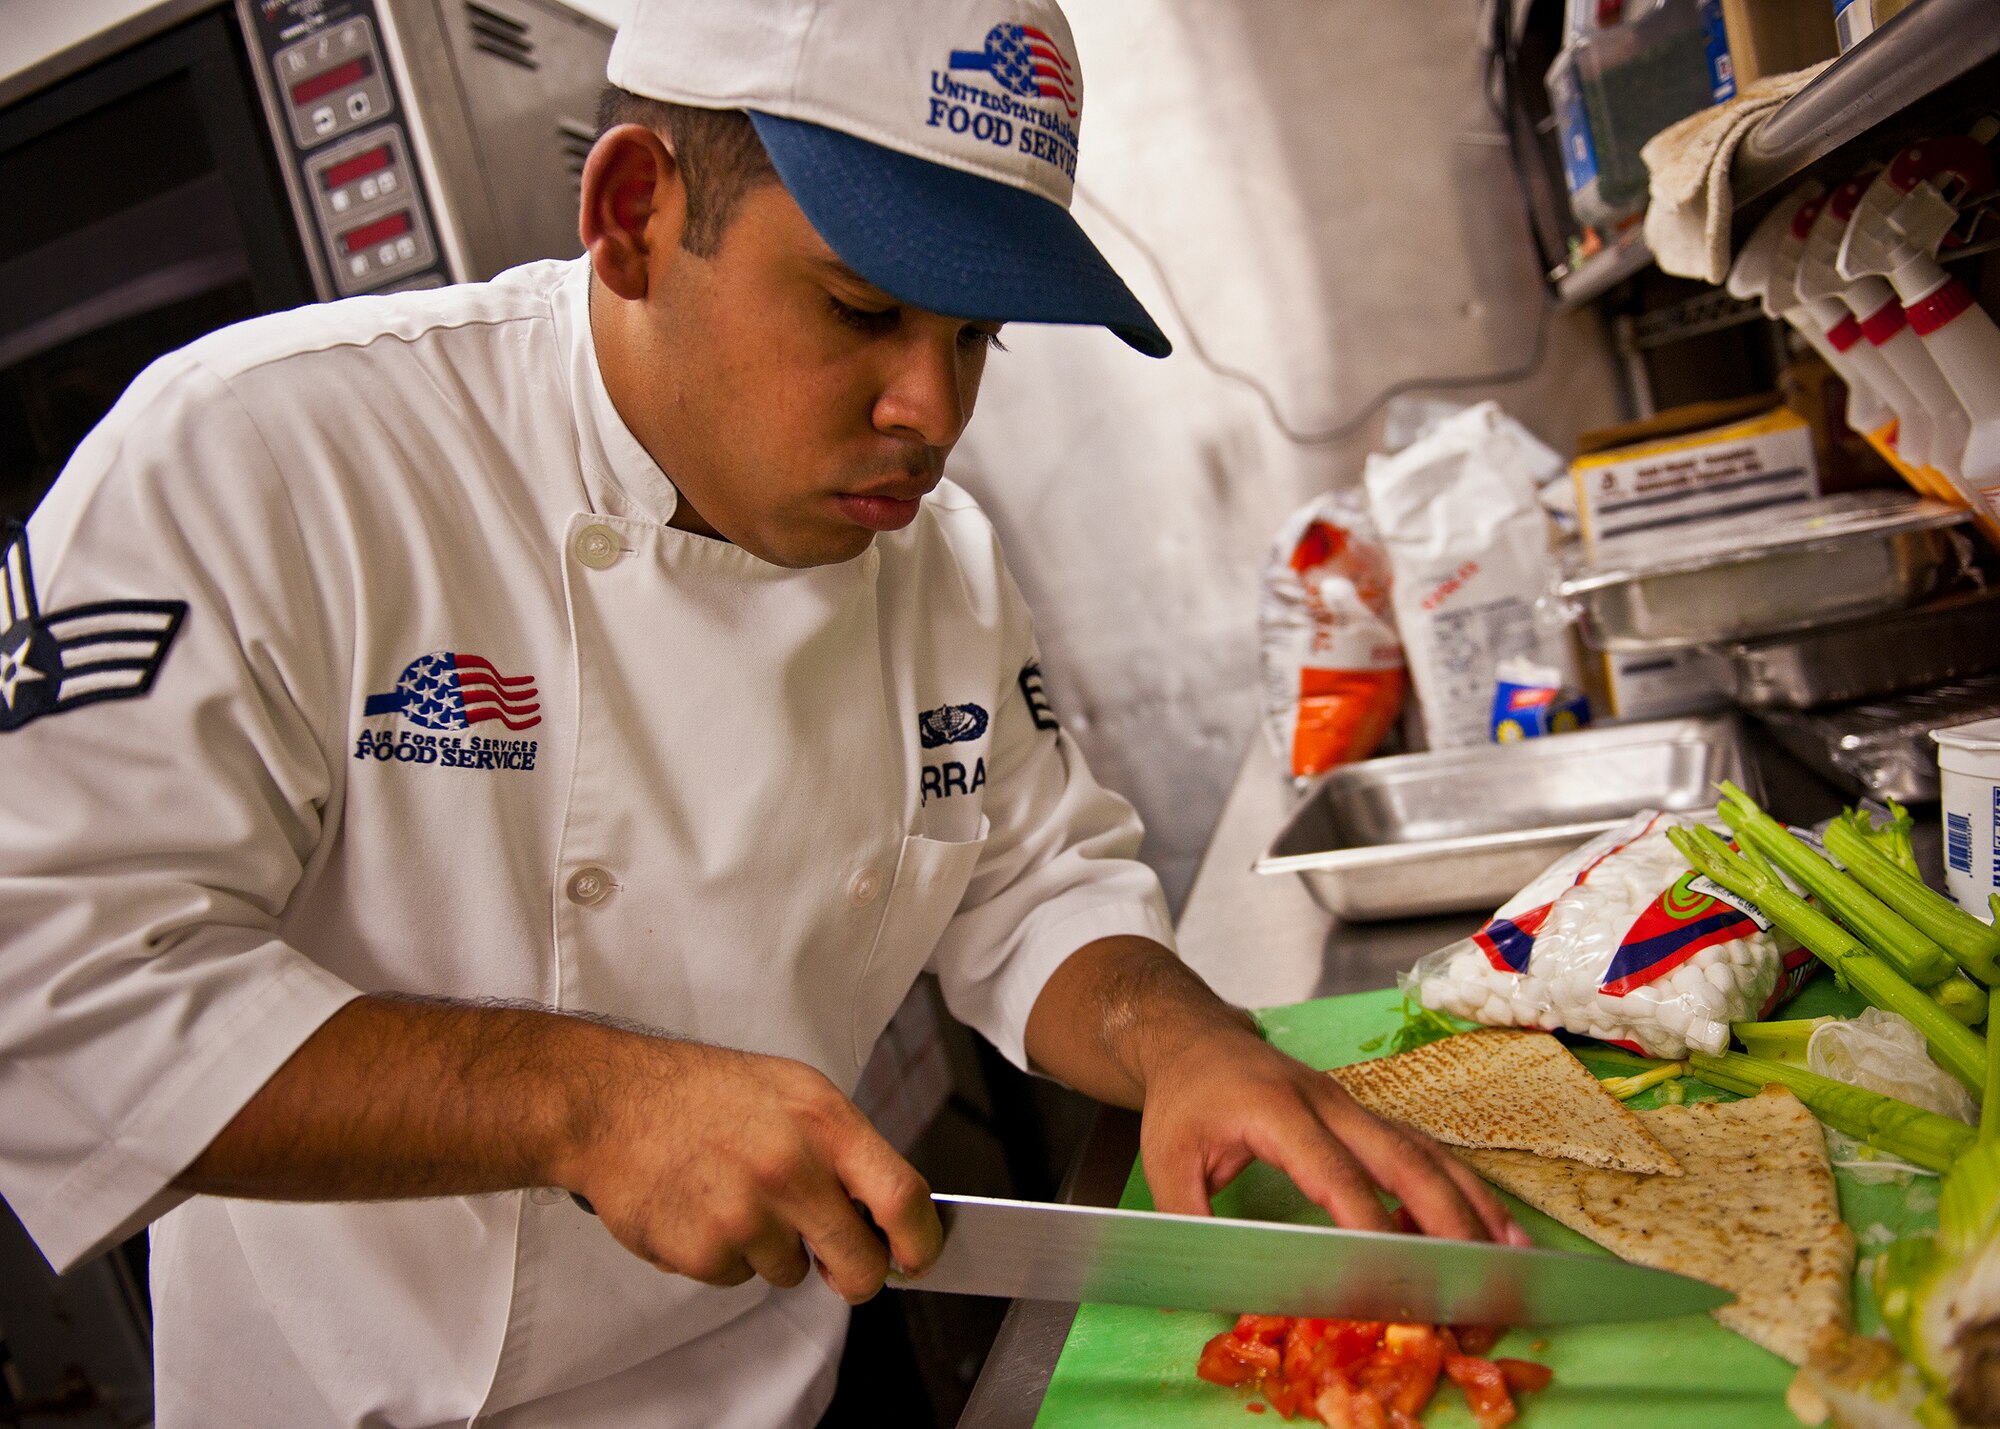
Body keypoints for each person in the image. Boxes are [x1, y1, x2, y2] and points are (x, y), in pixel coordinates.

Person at [0, 0, 1521, 1424]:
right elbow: (49, 993)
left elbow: (1031, 880)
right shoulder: (271, 458)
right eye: (863, 309)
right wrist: (587, 1101)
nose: (934, 409)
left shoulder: (939, 560)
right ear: (634, 214)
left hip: (773, 1381)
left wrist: (1181, 1035)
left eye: (979, 337)